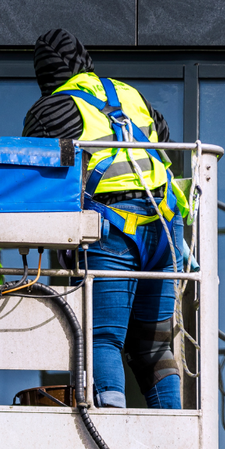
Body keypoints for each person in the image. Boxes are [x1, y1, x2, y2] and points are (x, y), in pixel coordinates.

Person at [22, 28, 185, 410]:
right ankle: (171, 427)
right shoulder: (129, 94)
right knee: (155, 347)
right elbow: (164, 142)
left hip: (111, 227)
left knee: (102, 338)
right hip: (165, 226)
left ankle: (111, 429)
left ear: (45, 76)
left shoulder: (52, 108)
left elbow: (31, 174)